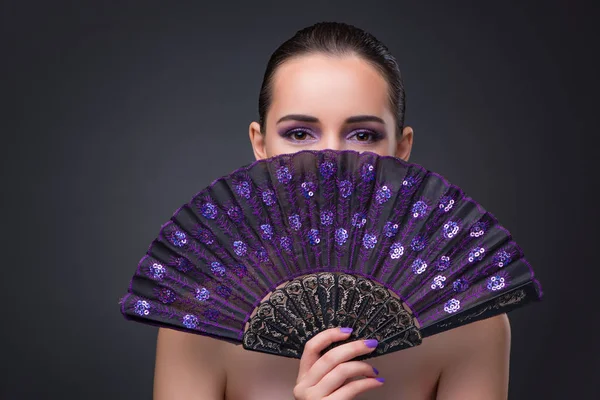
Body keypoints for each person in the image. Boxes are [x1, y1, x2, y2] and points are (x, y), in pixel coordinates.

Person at [153, 22, 511, 400]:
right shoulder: (197, 318)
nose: (330, 161)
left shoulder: (469, 326)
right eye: (299, 133)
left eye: (362, 135)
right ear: (261, 145)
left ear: (401, 150)